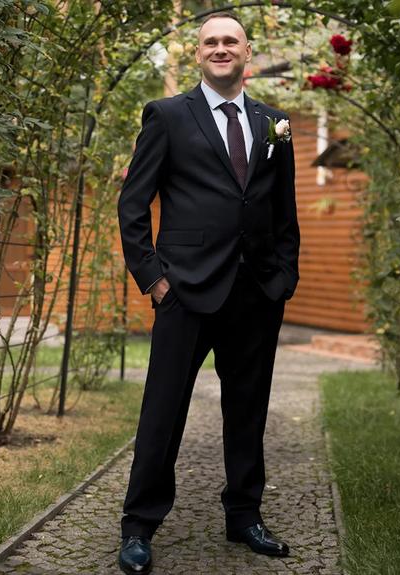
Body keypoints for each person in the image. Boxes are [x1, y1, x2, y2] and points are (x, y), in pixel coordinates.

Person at [117, 11, 300, 574]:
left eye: (230, 42)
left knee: (248, 411)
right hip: (185, 292)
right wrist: (155, 279)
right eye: (210, 42)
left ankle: (244, 516)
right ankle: (139, 526)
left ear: (248, 51)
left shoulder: (275, 123)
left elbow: (283, 211)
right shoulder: (168, 116)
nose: (220, 49)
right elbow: (132, 206)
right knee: (163, 411)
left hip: (256, 295)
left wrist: (284, 278)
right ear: (198, 53)